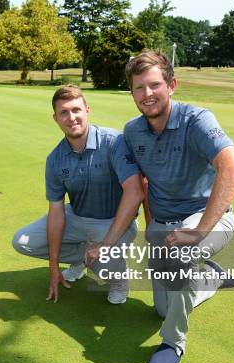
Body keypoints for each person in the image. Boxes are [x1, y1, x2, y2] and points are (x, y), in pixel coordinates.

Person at [122, 50, 234, 363]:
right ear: (132, 92)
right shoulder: (133, 132)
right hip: (164, 226)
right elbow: (144, 181)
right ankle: (213, 277)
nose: (147, 94)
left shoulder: (197, 119)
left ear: (171, 85)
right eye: (138, 88)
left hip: (207, 218)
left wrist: (197, 233)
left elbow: (233, 169)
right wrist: (151, 225)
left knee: (183, 255)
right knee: (164, 308)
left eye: (154, 85)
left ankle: (173, 342)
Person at [12, 85, 144, 304]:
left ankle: (119, 279)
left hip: (114, 221)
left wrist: (105, 245)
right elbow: (56, 212)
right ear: (55, 118)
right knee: (22, 241)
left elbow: (136, 191)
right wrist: (53, 267)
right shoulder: (55, 159)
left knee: (104, 265)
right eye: (63, 112)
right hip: (76, 216)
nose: (71, 117)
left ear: (87, 110)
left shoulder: (113, 142)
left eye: (76, 110)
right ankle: (84, 258)